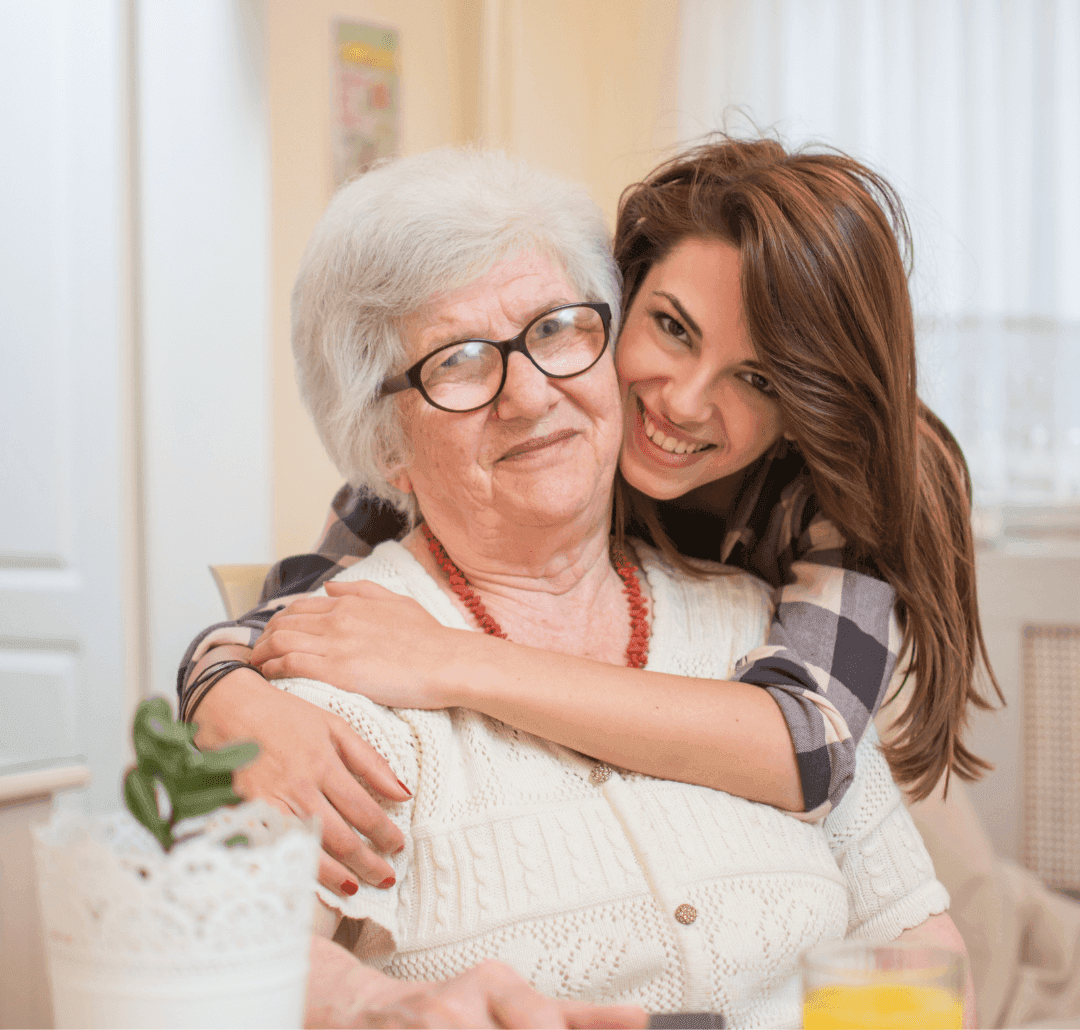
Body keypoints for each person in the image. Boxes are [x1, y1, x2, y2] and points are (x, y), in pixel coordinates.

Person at [200, 147, 963, 1027]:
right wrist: (224, 684)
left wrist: (459, 663)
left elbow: (925, 959)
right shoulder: (348, 672)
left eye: (556, 328)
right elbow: (226, 957)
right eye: (457, 361)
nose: (528, 395)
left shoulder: (770, 612)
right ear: (387, 452)